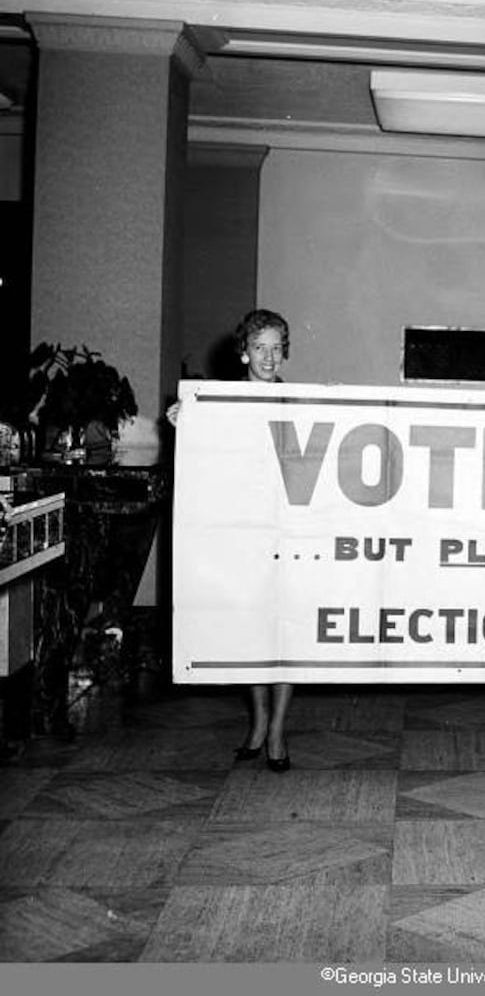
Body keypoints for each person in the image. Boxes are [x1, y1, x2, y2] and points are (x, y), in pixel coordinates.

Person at [167, 308, 295, 772]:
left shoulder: (301, 401)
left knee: (285, 635)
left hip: (289, 533)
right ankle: (258, 724)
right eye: (259, 347)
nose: (268, 356)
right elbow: (206, 463)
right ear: (243, 353)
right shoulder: (219, 403)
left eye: (276, 347)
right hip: (243, 535)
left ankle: (277, 732)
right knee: (251, 633)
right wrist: (186, 422)